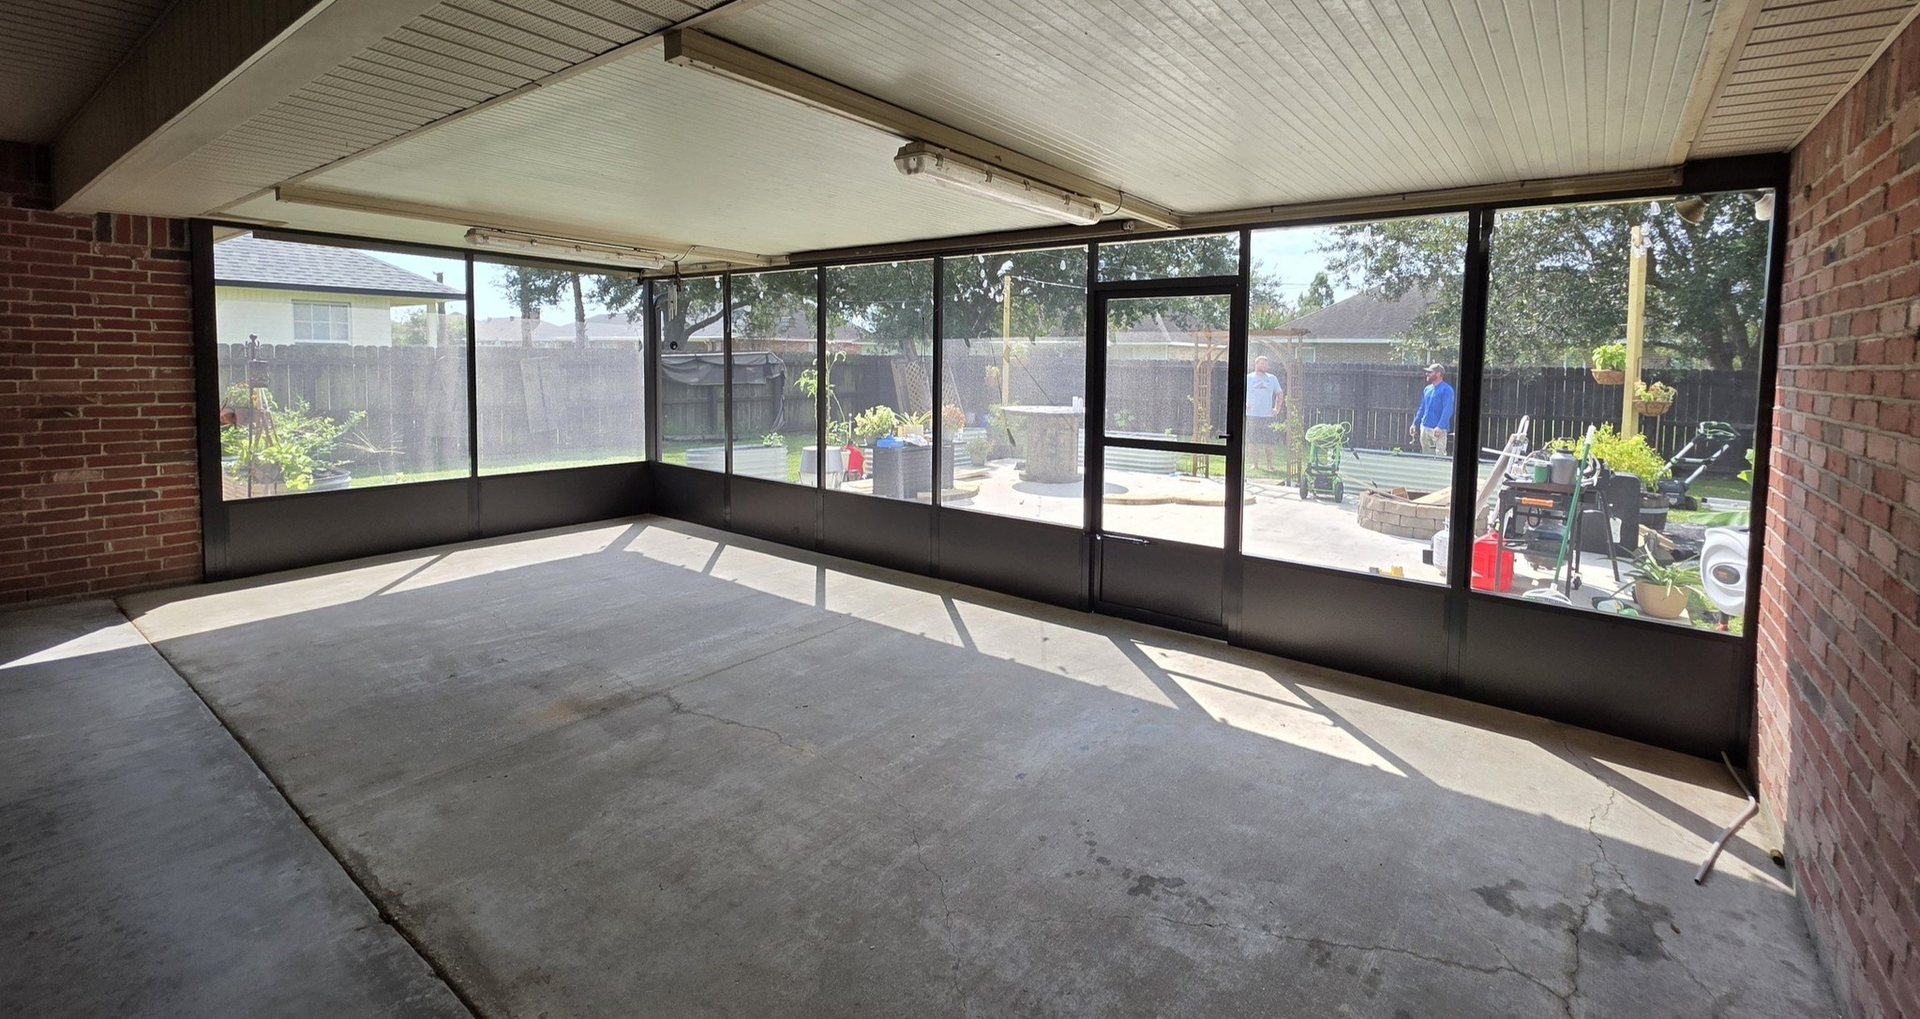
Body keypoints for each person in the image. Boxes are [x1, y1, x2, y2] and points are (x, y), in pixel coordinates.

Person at [1246, 355, 1282, 472]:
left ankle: (1270, 465)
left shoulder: (1272, 378)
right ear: (1256, 364)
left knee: (1269, 442)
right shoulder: (1248, 378)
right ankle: (1254, 464)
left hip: (1267, 416)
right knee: (1252, 441)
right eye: (1262, 363)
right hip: (1252, 415)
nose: (1264, 366)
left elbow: (1279, 394)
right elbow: (1240, 392)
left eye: (1266, 364)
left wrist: (1277, 408)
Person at [1409, 363, 1455, 456]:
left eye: (1430, 372)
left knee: (1439, 457)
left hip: (1438, 430)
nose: (1427, 374)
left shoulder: (1447, 390)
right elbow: (1422, 407)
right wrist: (1415, 423)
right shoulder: (1427, 389)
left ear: (1438, 374)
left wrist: (1440, 426)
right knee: (1426, 457)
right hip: (1425, 428)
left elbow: (1448, 409)